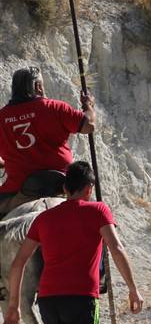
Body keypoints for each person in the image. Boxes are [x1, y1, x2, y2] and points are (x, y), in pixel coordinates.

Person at [3, 161, 143, 324]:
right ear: (89, 188)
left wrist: (14, 306)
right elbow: (116, 248)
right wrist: (133, 289)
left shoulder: (43, 219)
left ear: (64, 188)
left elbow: (18, 263)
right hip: (81, 299)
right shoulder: (99, 210)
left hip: (49, 302)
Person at [0, 67, 96, 214]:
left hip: (18, 188)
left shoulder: (2, 118)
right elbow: (88, 126)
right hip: (61, 185)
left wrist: (6, 162)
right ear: (38, 87)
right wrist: (88, 105)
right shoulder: (55, 107)